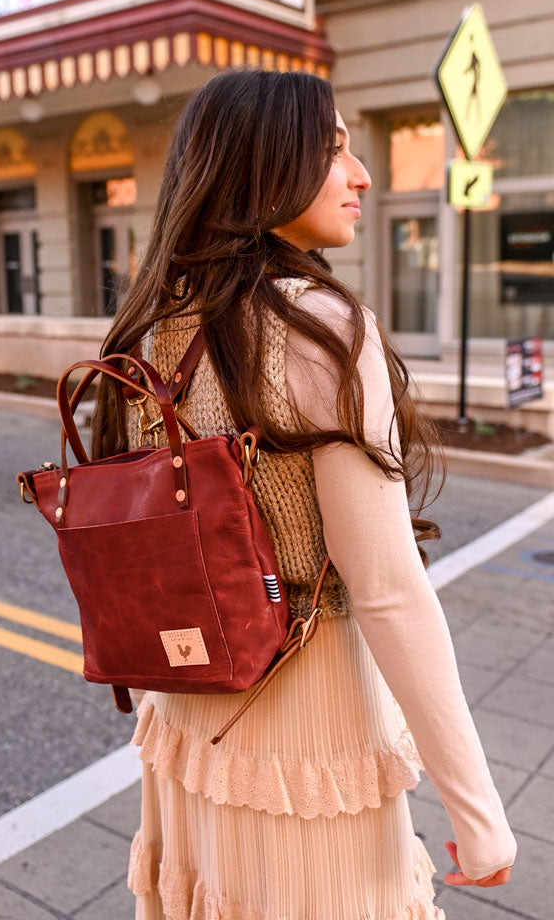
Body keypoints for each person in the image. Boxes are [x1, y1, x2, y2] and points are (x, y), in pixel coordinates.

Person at [91, 69, 516, 920]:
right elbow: (388, 589)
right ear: (264, 167)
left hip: (188, 719)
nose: (361, 175)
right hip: (306, 732)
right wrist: (478, 810)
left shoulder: (152, 327)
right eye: (333, 150)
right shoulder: (319, 328)